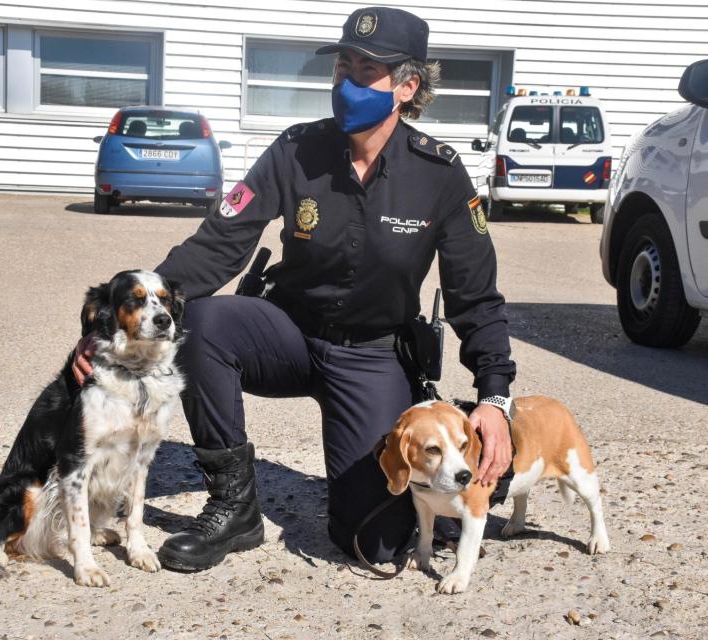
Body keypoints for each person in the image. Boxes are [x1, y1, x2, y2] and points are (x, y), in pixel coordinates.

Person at [73, 6, 516, 572]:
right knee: (204, 323)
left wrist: (496, 396)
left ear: (407, 86)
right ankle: (235, 506)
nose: (348, 82)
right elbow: (219, 244)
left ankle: (479, 480)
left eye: (367, 71)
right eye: (344, 67)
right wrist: (119, 324)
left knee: (373, 542)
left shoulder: (440, 174)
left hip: (373, 355)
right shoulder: (296, 150)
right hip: (288, 337)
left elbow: (475, 297)